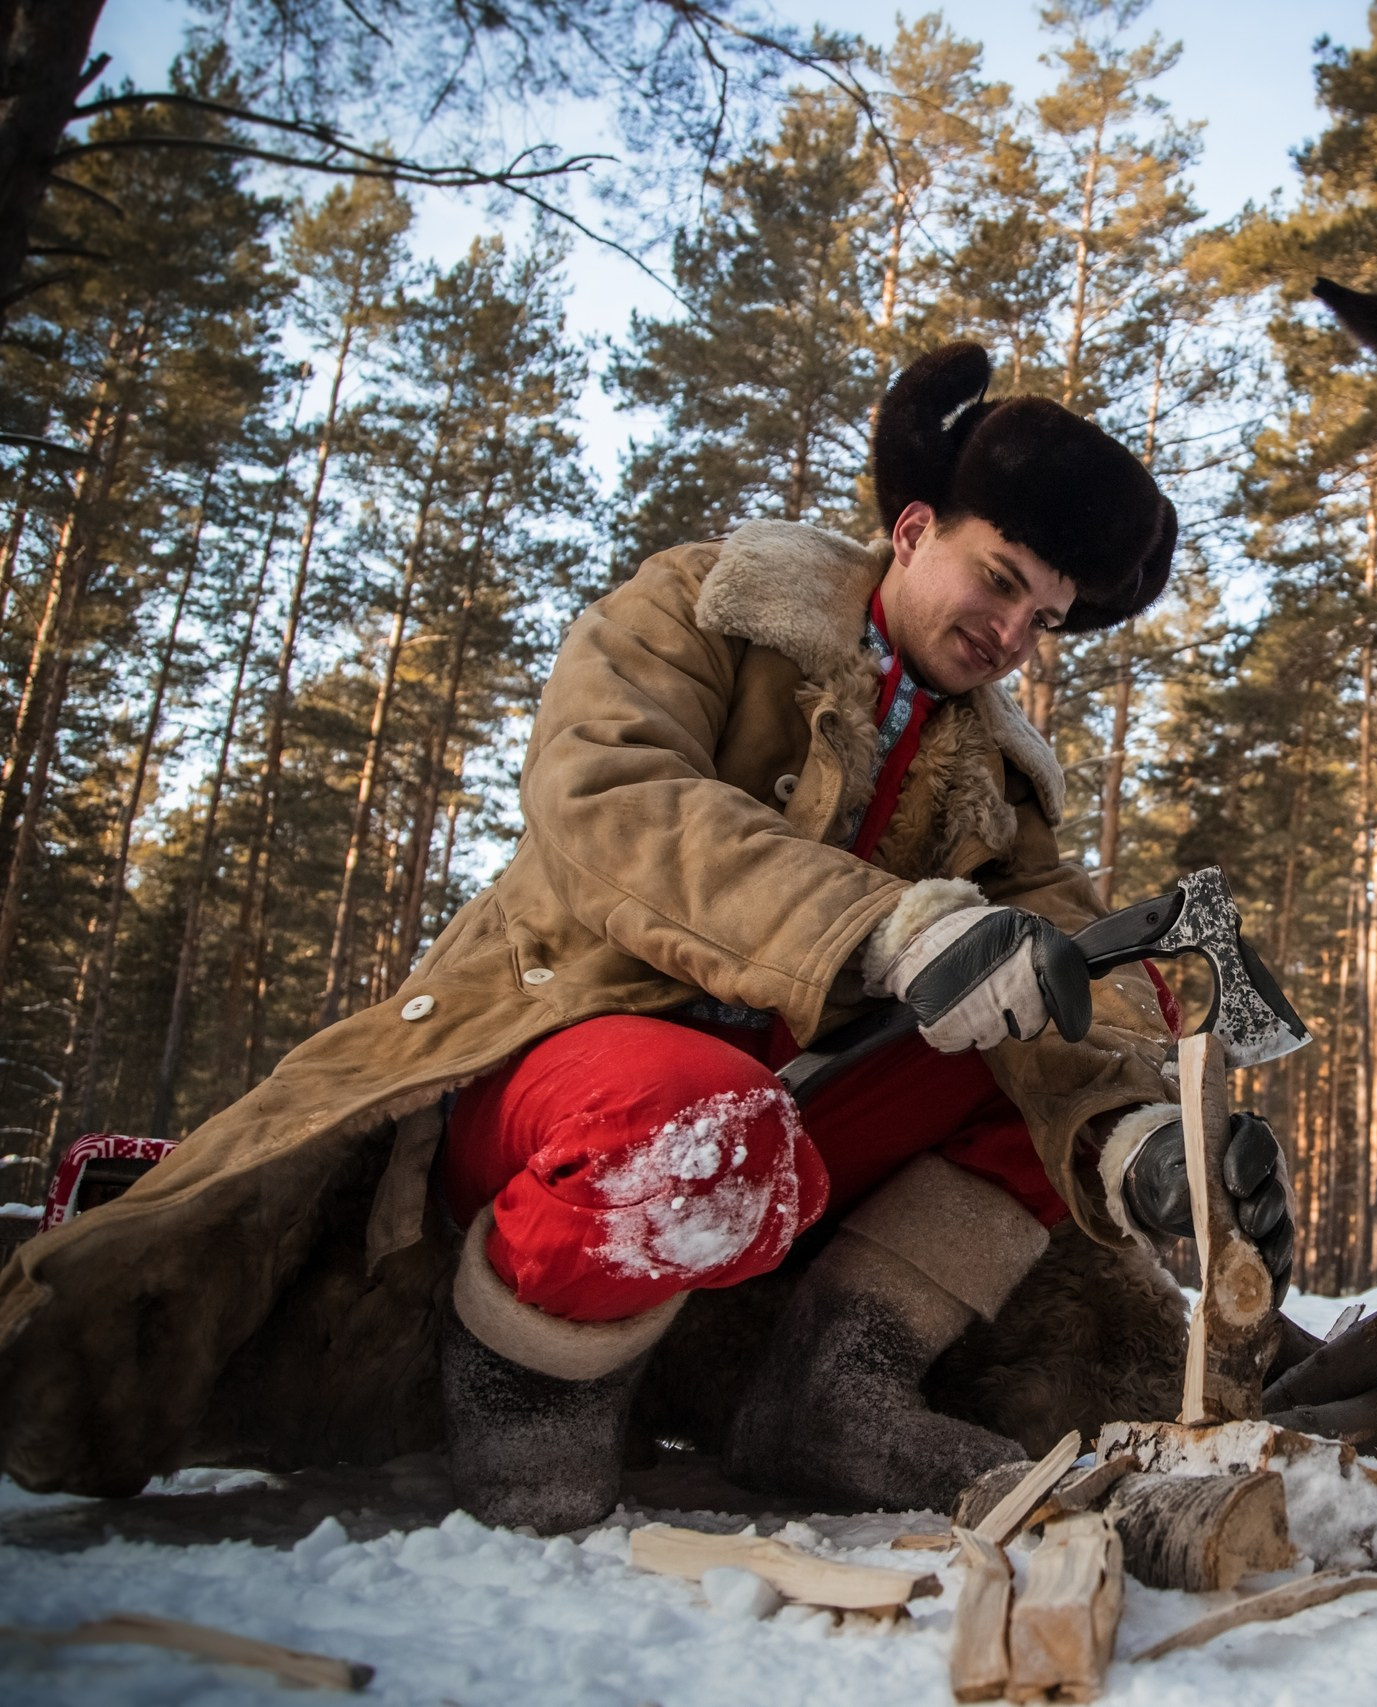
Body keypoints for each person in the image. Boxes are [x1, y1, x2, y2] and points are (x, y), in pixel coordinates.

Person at [0, 345, 1294, 1532]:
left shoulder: (1001, 786)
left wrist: (1145, 1146)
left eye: (1046, 619)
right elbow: (608, 803)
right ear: (912, 531)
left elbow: (1068, 979)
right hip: (560, 1075)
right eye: (1000, 581)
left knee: (1042, 1019)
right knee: (706, 1115)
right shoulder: (700, 610)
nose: (1012, 634)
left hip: (795, 1126)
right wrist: (885, 927)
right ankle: (524, 1397)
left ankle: (836, 1390)